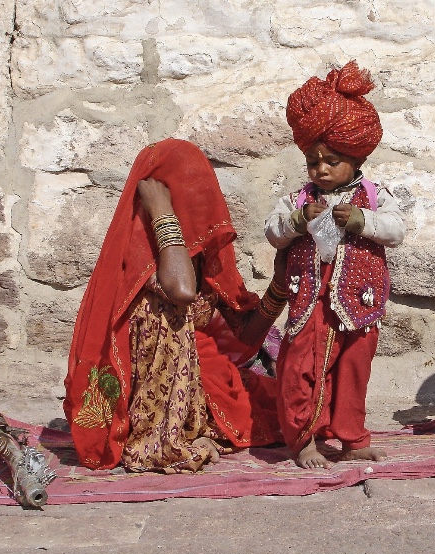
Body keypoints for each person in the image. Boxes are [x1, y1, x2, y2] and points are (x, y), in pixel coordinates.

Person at [64, 138, 288, 472]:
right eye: (189, 192)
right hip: (155, 393)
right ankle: (174, 434)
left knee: (294, 409)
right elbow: (181, 291)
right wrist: (162, 212)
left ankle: (202, 424)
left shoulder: (199, 257)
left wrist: (280, 286)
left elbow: (240, 340)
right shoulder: (145, 258)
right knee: (166, 317)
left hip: (206, 376)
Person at [265, 61, 406, 468]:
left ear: (356, 157)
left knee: (353, 370)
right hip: (309, 302)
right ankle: (304, 439)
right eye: (314, 161)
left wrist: (363, 221)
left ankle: (352, 438)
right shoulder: (297, 200)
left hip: (359, 304)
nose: (322, 169)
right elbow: (273, 233)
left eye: (333, 160)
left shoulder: (376, 196)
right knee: (300, 369)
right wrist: (297, 221)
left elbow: (396, 232)